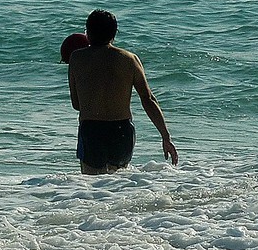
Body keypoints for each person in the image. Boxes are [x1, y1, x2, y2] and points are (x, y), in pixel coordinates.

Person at [67, 9, 178, 174]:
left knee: (91, 186)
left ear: (88, 33)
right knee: (116, 185)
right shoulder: (129, 59)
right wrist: (165, 137)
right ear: (114, 34)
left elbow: (77, 104)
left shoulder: (76, 58)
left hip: (91, 129)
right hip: (121, 131)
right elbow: (148, 99)